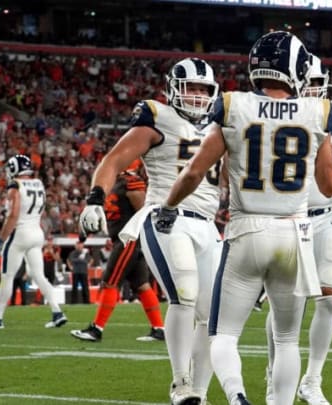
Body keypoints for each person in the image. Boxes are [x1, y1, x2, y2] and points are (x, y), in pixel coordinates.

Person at [157, 31, 332, 405]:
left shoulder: (232, 105)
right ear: (296, 69)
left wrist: (167, 206)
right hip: (295, 232)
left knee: (223, 334)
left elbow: (195, 172)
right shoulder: (318, 111)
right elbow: (329, 185)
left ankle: (236, 395)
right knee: (287, 338)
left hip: (246, 230)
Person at [78, 57, 223, 405]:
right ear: (174, 89)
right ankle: (181, 382)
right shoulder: (157, 117)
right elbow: (113, 159)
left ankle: (198, 393)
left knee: (211, 313)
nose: (198, 96)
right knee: (184, 293)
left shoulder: (222, 124)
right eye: (191, 88)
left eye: (204, 89)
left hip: (208, 224)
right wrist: (95, 198)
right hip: (166, 217)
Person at [263, 53, 332, 405]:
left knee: (329, 300)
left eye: (315, 84)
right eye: (304, 84)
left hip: (330, 215)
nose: (310, 91)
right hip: (290, 216)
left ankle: (312, 379)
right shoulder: (275, 113)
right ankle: (274, 375)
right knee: (287, 305)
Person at [70, 160, 165, 343]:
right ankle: (159, 328)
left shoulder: (132, 181)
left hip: (128, 239)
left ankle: (96, 329)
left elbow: (143, 212)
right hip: (121, 239)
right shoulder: (114, 181)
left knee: (109, 282)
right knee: (141, 285)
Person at [0, 155, 67, 329]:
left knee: (7, 276)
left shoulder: (15, 186)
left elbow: (13, 215)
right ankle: (57, 312)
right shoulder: (38, 183)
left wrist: (1, 240)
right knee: (38, 275)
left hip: (19, 233)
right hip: (36, 232)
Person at [67, 240, 93, 304]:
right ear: (75, 246)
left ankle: (86, 301)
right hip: (75, 272)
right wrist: (81, 260)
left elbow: (88, 260)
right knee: (74, 287)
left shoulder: (86, 253)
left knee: (85, 287)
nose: (79, 246)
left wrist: (81, 260)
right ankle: (73, 302)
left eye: (80, 244)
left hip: (83, 271)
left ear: (82, 245)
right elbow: (72, 260)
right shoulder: (72, 253)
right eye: (78, 244)